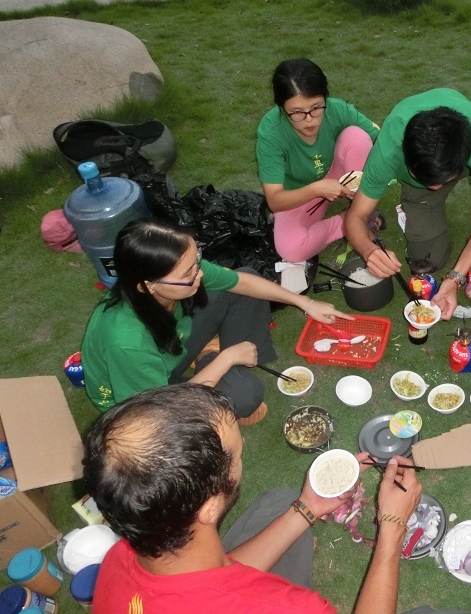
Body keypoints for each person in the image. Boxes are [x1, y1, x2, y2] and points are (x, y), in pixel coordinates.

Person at [84, 383, 422, 614]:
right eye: (236, 454)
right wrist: (392, 526)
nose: (242, 451)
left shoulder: (120, 559)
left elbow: (213, 579)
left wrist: (307, 508)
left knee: (282, 502)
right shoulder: (286, 607)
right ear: (209, 507)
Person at [81, 217, 352, 422]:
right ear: (148, 285)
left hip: (171, 346)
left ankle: (217, 362)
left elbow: (242, 281)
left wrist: (307, 303)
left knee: (245, 282)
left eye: (196, 261)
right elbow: (156, 410)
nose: (199, 274)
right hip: (147, 398)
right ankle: (220, 363)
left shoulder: (179, 272)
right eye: (188, 273)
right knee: (245, 397)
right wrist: (227, 358)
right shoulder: (127, 342)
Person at [345, 88, 471, 319]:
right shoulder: (389, 148)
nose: (435, 187)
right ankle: (467, 188)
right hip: (435, 164)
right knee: (428, 261)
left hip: (469, 144)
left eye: (443, 182)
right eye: (427, 180)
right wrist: (369, 250)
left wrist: (455, 279)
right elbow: (355, 216)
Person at [257, 58, 382, 263]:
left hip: (337, 176)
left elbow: (381, 141)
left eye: (316, 107)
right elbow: (275, 201)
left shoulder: (336, 109)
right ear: (281, 108)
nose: (309, 119)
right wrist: (316, 189)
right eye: (297, 112)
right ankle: (346, 220)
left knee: (357, 136)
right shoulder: (271, 133)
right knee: (291, 250)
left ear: (325, 98)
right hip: (300, 194)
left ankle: (360, 208)